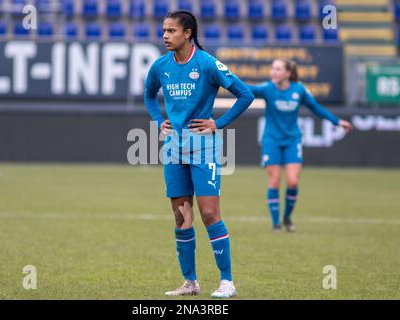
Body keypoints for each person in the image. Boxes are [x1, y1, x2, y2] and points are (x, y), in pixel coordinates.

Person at [144, 10, 253, 298]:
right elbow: (148, 95)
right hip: (174, 150)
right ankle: (190, 283)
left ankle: (227, 281)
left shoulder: (207, 64)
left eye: (171, 31)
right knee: (182, 216)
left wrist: (219, 123)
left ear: (187, 33)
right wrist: (158, 120)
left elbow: (246, 95)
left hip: (204, 148)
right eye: (164, 30)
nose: (165, 35)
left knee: (208, 213)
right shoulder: (160, 66)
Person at [247, 59, 353, 232]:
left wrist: (337, 121)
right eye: (273, 68)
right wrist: (222, 80)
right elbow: (245, 90)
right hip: (271, 140)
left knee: (293, 181)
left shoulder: (299, 90)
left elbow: (316, 108)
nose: (273, 72)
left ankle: (287, 217)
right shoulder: (267, 88)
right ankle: (276, 224)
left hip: (292, 140)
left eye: (278, 69)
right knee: (274, 180)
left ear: (288, 73)